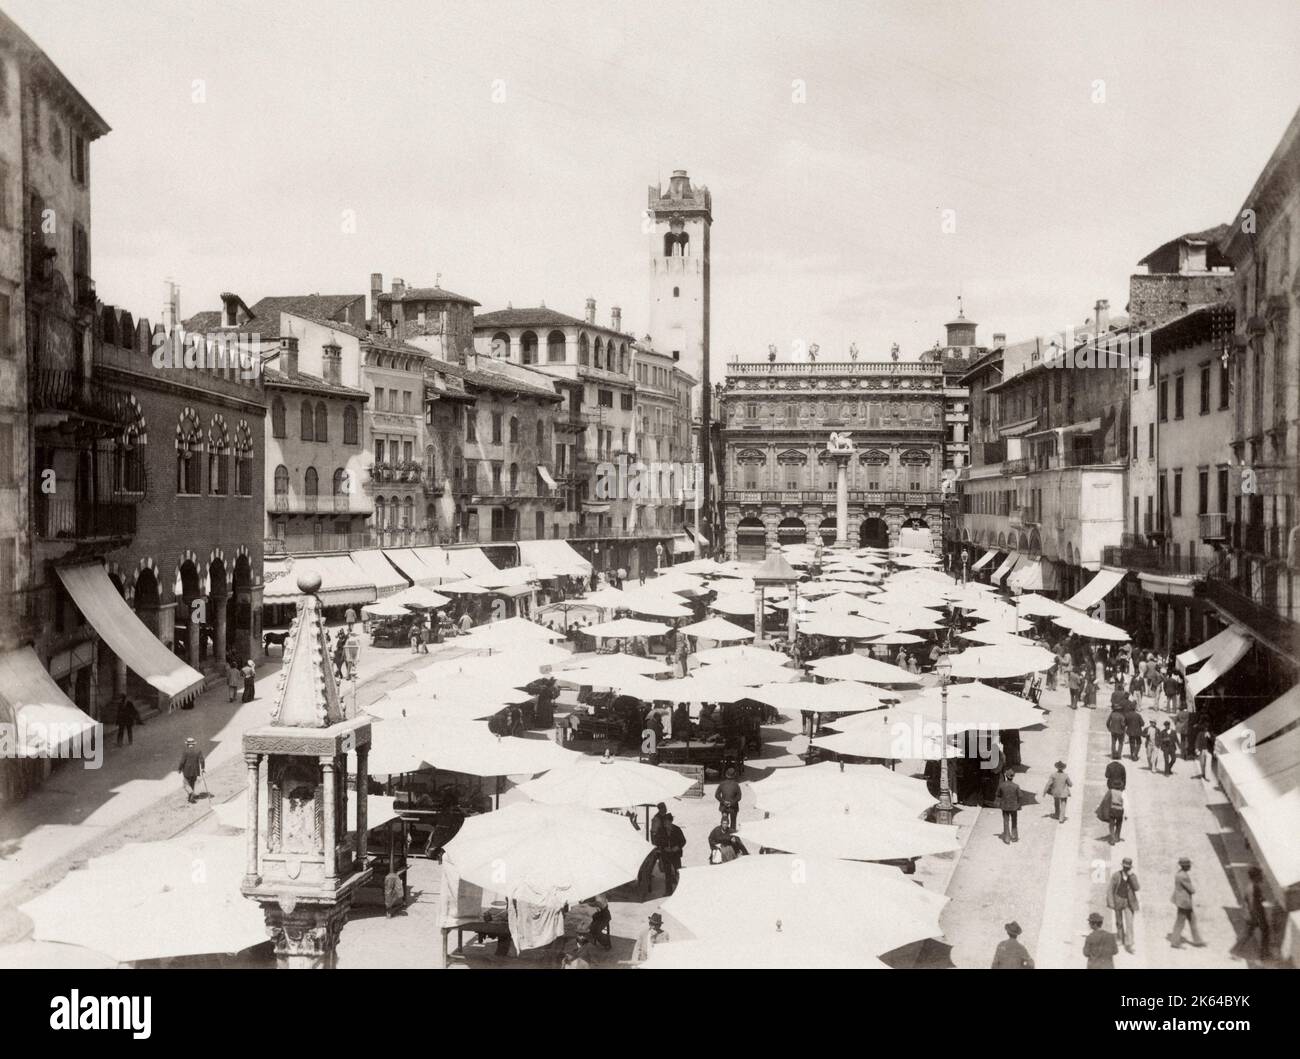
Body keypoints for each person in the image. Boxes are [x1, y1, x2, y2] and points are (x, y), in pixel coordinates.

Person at [1235, 866, 1272, 958]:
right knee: (1264, 931)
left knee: (1248, 933)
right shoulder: (1252, 888)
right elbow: (1252, 904)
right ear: (1256, 876)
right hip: (1255, 915)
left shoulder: (1254, 886)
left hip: (1255, 914)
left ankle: (1235, 952)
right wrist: (1256, 917)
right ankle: (1264, 954)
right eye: (1260, 875)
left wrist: (1262, 899)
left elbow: (1259, 899)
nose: (1262, 877)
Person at [1170, 857, 1206, 948]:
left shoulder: (1179, 873)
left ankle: (1197, 941)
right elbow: (1192, 890)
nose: (1190, 866)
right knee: (1180, 922)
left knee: (1192, 920)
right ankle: (1175, 942)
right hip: (1184, 902)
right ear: (1185, 866)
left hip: (1182, 901)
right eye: (1189, 865)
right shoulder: (1184, 876)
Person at [1108, 858, 1140, 954]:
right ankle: (1120, 938)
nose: (1126, 869)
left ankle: (1129, 943)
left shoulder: (1132, 876)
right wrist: (1111, 902)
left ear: (1130, 867)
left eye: (1128, 867)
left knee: (1129, 923)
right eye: (1125, 867)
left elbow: (1137, 888)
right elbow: (1110, 889)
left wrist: (1132, 877)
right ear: (1122, 866)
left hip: (1129, 902)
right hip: (1118, 900)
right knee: (1119, 922)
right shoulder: (1116, 875)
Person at [655, 813, 686, 895]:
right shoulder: (661, 830)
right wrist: (664, 847)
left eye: (668, 822)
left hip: (675, 854)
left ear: (671, 821)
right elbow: (657, 841)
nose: (666, 824)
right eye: (665, 822)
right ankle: (668, 892)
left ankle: (680, 891)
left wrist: (677, 847)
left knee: (678, 872)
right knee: (668, 874)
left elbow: (683, 841)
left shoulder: (677, 829)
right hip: (666, 854)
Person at [995, 769, 1021, 843]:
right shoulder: (1016, 786)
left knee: (1006, 821)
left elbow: (998, 794)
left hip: (1005, 806)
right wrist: (1018, 805)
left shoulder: (1002, 785)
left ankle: (1007, 838)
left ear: (1006, 776)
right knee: (1014, 821)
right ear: (1013, 777)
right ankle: (1014, 836)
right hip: (1014, 807)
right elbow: (1020, 795)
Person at [177, 737, 205, 803]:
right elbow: (202, 760)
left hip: (187, 771)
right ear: (194, 744)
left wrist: (179, 769)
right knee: (192, 783)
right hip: (196, 771)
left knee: (186, 784)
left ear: (187, 744)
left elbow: (182, 762)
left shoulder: (185, 751)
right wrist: (203, 768)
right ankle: (192, 796)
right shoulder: (198, 750)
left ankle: (190, 793)